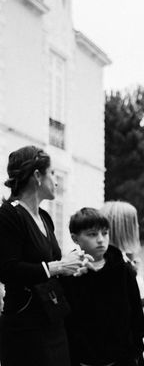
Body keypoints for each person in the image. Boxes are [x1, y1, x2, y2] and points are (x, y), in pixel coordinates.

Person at [0, 146, 91, 366]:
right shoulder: (8, 214)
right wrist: (58, 266)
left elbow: (52, 264)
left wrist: (73, 266)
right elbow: (7, 270)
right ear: (37, 176)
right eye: (52, 174)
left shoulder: (45, 217)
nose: (56, 181)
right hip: (24, 326)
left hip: (53, 318)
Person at [60, 207, 144, 366]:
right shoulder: (68, 273)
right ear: (75, 238)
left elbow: (137, 319)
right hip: (82, 361)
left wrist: (134, 354)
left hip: (123, 360)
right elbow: (66, 322)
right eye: (92, 234)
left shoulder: (124, 270)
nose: (101, 239)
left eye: (105, 233)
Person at [101, 201, 144, 298]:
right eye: (134, 222)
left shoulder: (101, 255)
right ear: (124, 228)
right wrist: (137, 274)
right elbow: (136, 295)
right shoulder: (117, 262)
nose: (138, 226)